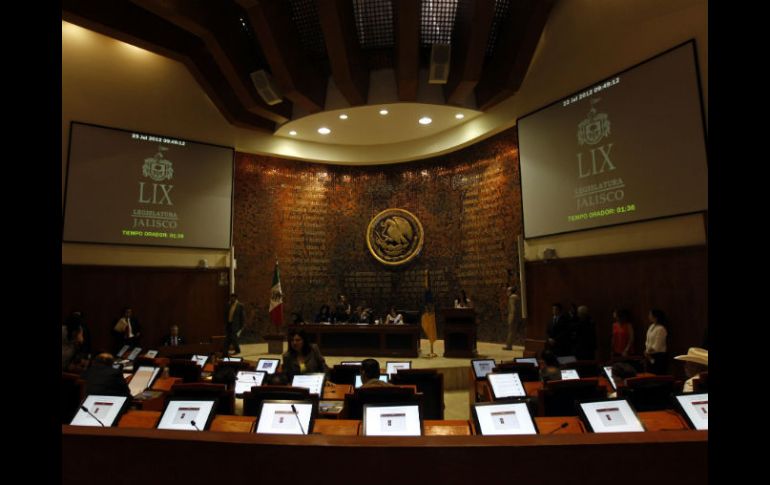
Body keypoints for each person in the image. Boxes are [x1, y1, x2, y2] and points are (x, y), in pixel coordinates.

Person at [644, 308, 669, 374]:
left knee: (657, 375)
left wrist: (649, 351)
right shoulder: (651, 326)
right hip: (649, 355)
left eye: (650, 314)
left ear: (655, 317)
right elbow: (647, 341)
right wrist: (647, 351)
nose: (649, 316)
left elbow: (657, 345)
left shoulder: (661, 329)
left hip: (658, 356)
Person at [503, 285, 521, 350]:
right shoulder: (516, 297)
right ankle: (509, 345)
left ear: (511, 291)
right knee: (512, 331)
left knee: (511, 331)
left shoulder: (512, 297)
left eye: (508, 291)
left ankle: (509, 345)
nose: (507, 292)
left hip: (513, 317)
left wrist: (511, 318)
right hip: (516, 317)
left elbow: (513, 309)